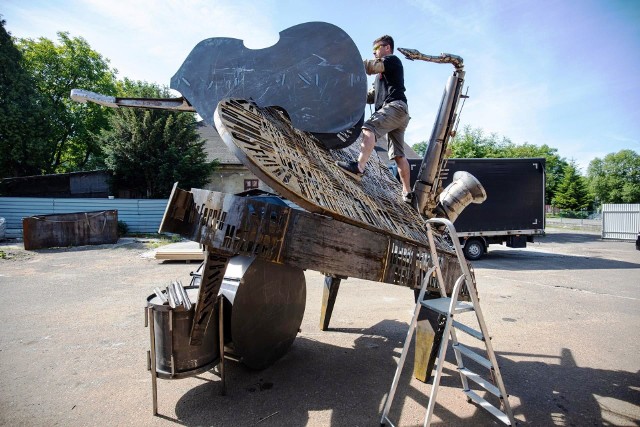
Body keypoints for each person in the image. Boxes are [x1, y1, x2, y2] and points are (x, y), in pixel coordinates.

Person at [336, 35, 413, 203]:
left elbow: (370, 67)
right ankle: (407, 193)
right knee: (399, 155)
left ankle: (359, 167)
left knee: (368, 128)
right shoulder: (381, 77)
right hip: (400, 113)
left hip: (394, 107)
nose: (374, 54)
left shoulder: (391, 60)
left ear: (387, 47)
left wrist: (350, 60)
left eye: (375, 49)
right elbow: (370, 96)